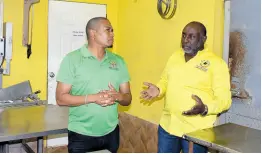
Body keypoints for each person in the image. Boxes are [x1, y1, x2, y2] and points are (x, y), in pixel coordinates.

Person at [140, 21, 231, 153]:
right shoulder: (175, 56)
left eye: (191, 36)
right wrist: (159, 89)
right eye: (183, 35)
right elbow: (165, 80)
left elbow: (225, 100)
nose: (185, 40)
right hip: (168, 126)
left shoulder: (216, 63)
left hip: (196, 132)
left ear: (203, 39)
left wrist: (205, 108)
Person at [56, 17, 132, 153]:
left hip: (111, 132)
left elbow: (127, 98)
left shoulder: (118, 61)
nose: (112, 34)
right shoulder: (72, 60)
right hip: (81, 134)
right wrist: (94, 98)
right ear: (93, 33)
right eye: (108, 30)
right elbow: (61, 98)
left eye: (113, 30)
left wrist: (118, 96)